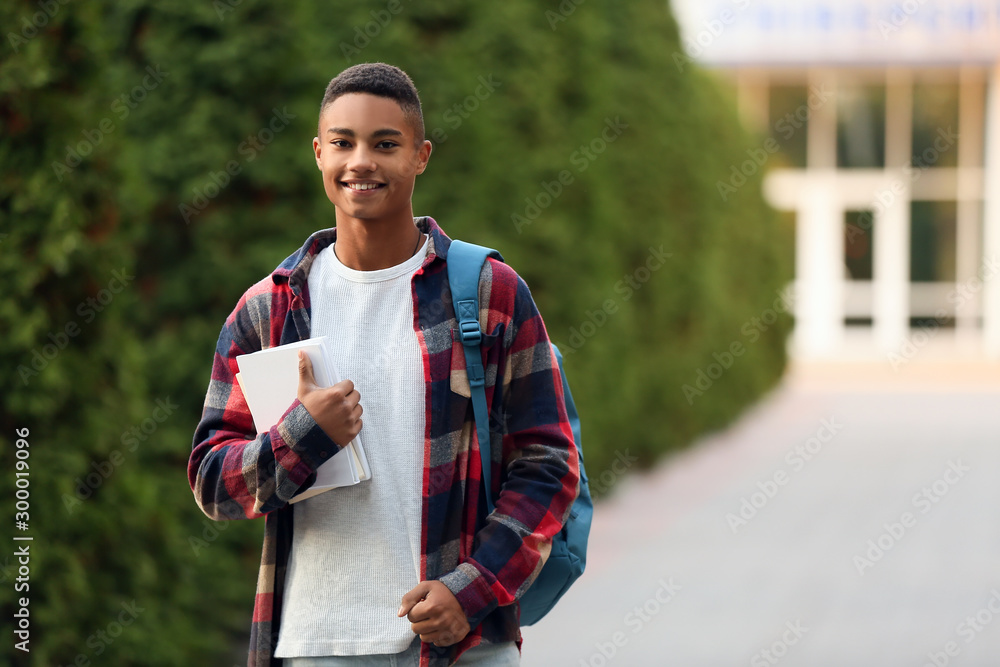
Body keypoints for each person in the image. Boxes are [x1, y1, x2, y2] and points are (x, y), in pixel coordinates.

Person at [188, 62, 580, 667]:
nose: (361, 161)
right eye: (343, 143)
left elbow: (548, 463)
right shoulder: (269, 309)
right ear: (319, 154)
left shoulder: (488, 293)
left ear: (421, 156)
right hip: (319, 645)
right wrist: (304, 436)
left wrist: (471, 589)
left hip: (462, 644)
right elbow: (214, 482)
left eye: (385, 144)